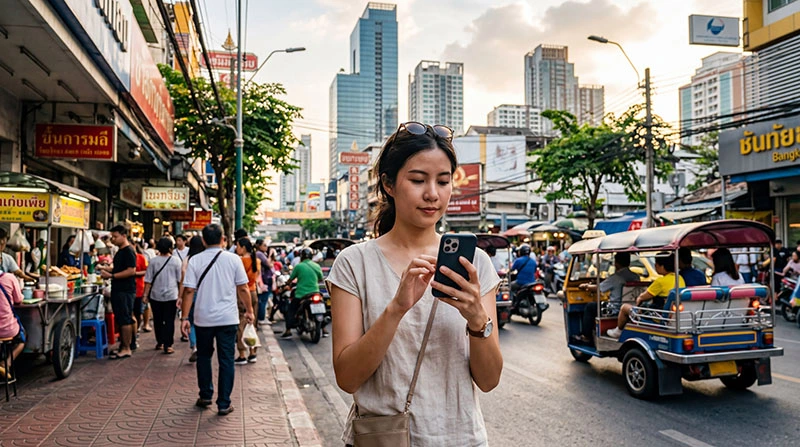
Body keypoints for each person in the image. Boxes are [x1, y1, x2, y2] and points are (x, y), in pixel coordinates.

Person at [327, 122, 502, 445]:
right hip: (384, 439)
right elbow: (347, 377)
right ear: (389, 185)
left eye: (443, 181)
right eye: (418, 180)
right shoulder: (354, 263)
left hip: (461, 439)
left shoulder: (476, 263)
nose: (432, 194)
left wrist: (479, 320)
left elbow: (489, 380)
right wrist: (396, 308)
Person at [180, 224, 254, 416]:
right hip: (228, 318)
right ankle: (223, 403)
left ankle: (205, 395)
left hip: (203, 319)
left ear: (203, 240)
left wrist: (184, 317)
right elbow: (243, 288)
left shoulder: (195, 260)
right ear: (223, 239)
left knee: (204, 357)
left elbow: (188, 290)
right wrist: (249, 310)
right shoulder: (233, 259)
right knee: (226, 360)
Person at [607, 253, 685, 338]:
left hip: (657, 317)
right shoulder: (680, 278)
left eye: (656, 264)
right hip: (673, 316)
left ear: (662, 266)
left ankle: (618, 330)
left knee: (624, 307)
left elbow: (641, 298)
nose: (655, 266)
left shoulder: (660, 282)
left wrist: (638, 306)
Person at [575, 252, 639, 343]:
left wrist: (586, 286)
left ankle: (586, 336)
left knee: (590, 307)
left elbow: (598, 288)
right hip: (630, 307)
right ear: (628, 263)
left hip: (614, 309)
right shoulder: (635, 276)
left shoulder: (616, 277)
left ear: (616, 263)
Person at [99, 225, 137, 359]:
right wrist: (108, 270)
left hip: (125, 290)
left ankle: (126, 348)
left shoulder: (128, 251)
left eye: (115, 237)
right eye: (112, 237)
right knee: (122, 318)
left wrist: (111, 276)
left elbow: (131, 270)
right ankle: (124, 346)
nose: (113, 239)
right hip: (119, 289)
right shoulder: (120, 251)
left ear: (124, 236)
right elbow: (120, 268)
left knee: (125, 319)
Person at [143, 238, 182, 354]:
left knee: (158, 320)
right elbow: (180, 280)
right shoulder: (176, 261)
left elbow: (148, 280)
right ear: (171, 248)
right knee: (169, 320)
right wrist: (180, 296)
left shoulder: (153, 261)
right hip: (171, 295)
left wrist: (145, 295)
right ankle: (168, 345)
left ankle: (160, 341)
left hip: (156, 295)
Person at [281, 248, 323, 339]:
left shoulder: (299, 266)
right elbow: (320, 278)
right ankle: (324, 328)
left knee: (291, 310)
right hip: (315, 292)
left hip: (301, 294)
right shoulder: (316, 266)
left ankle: (288, 331)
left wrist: (287, 284)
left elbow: (291, 279)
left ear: (301, 257)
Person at [180, 236, 207, 362]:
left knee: (191, 320)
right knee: (204, 321)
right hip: (205, 294)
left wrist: (180, 296)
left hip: (191, 294)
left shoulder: (188, 259)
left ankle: (195, 346)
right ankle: (204, 345)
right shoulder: (206, 258)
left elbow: (184, 281)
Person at [235, 237, 260, 364]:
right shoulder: (257, 260)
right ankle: (253, 352)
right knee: (252, 323)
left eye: (238, 246)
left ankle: (242, 353)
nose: (236, 248)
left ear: (243, 247)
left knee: (241, 323)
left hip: (243, 293)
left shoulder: (240, 261)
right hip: (254, 292)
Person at [0, 271, 25, 375]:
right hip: (7, 329)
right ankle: (6, 363)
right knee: (22, 339)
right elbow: (18, 299)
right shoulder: (9, 278)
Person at [133, 242, 150, 339]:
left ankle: (137, 328)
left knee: (138, 311)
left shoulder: (141, 257)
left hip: (139, 287)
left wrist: (134, 273)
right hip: (128, 288)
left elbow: (146, 270)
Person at [255, 239, 273, 325]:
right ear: (259, 246)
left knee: (263, 300)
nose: (266, 247)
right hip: (264, 279)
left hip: (265, 279)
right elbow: (269, 264)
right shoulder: (259, 254)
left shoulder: (261, 254)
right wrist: (270, 255)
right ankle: (261, 318)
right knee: (263, 300)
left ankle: (261, 317)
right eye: (264, 245)